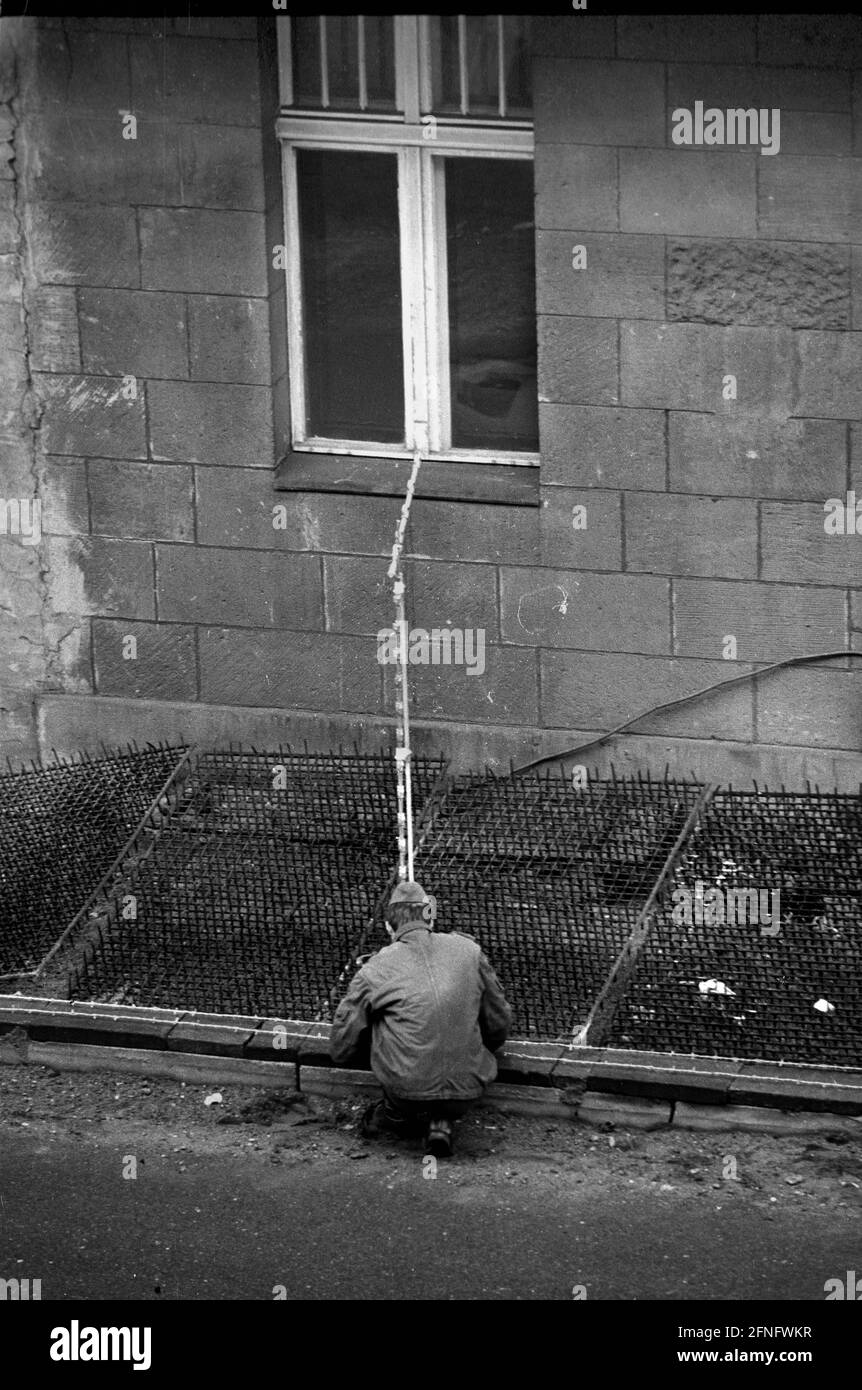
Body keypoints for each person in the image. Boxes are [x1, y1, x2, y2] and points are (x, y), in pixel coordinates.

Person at [330, 879, 512, 1158]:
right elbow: (499, 1023)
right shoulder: (469, 951)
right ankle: (441, 1121)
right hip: (468, 1090)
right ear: (430, 917)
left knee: (378, 1020)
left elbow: (341, 1048)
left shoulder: (375, 967)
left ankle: (396, 1114)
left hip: (406, 1091)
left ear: (389, 928)